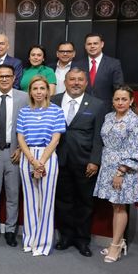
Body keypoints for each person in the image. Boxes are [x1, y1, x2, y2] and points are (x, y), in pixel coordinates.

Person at [52, 68, 106, 257]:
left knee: (85, 202)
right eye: (72, 79)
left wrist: (94, 160)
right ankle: (65, 237)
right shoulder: (53, 101)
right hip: (58, 160)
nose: (76, 83)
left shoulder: (97, 104)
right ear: (65, 82)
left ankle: (83, 240)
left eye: (80, 80)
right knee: (63, 201)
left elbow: (99, 136)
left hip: (85, 162)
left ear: (86, 83)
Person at [93, 86, 138, 262]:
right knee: (114, 206)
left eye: (124, 99)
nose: (120, 102)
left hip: (123, 169)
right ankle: (117, 241)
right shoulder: (109, 117)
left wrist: (121, 171)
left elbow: (136, 148)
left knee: (120, 206)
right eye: (117, 99)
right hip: (107, 165)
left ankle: (115, 246)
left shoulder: (136, 121)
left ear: (131, 101)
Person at [16, 76, 65, 256]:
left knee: (46, 202)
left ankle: (43, 243)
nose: (38, 92)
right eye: (35, 88)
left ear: (47, 91)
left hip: (48, 156)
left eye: (42, 88)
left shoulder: (56, 111)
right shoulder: (23, 112)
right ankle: (30, 241)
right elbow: (20, 138)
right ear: (30, 91)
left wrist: (41, 161)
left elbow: (56, 138)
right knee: (29, 201)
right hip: (28, 156)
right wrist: (32, 160)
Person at [0, 64, 28, 246]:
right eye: (0, 76)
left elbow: (28, 125)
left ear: (14, 77)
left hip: (15, 151)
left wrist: (21, 149)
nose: (4, 79)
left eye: (7, 76)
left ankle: (10, 230)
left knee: (12, 193)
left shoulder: (24, 97)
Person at [75, 33, 124, 108]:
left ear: (102, 44)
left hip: (105, 108)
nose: (92, 46)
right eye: (89, 44)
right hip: (82, 108)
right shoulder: (78, 65)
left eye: (95, 43)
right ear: (85, 46)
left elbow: (118, 88)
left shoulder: (113, 64)